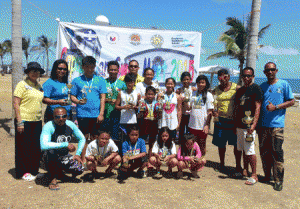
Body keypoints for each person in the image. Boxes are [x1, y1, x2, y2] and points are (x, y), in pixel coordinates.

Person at [258, 62, 295, 191]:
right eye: (267, 70)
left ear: (276, 70)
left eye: (272, 70)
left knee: (277, 152)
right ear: (264, 72)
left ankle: (278, 180)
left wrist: (276, 107)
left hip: (277, 126)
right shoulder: (262, 86)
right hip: (263, 126)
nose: (270, 72)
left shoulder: (283, 84)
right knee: (264, 152)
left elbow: (291, 101)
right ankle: (267, 176)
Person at [40, 107, 86, 190]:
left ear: (67, 116)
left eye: (63, 116)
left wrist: (78, 154)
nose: (61, 119)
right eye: (57, 117)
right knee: (51, 152)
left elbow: (82, 138)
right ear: (53, 117)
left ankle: (60, 173)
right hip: (48, 157)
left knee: (80, 168)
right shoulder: (48, 126)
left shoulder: (70, 124)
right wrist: (65, 144)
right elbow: (43, 145)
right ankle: (52, 178)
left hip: (63, 156)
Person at [70, 56, 107, 160]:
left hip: (96, 115)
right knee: (84, 138)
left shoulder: (100, 80)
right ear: (82, 67)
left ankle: (94, 160)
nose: (89, 69)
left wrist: (101, 114)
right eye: (87, 67)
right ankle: (83, 160)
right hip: (82, 114)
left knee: (96, 138)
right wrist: (78, 101)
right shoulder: (76, 81)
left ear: (95, 67)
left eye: (92, 67)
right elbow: (72, 96)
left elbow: (102, 98)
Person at [13, 62, 44, 181]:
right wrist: (19, 122)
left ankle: (33, 170)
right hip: (24, 121)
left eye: (37, 71)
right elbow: (16, 104)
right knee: (23, 147)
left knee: (35, 147)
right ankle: (22, 172)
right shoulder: (22, 84)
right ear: (28, 72)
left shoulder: (39, 86)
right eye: (32, 70)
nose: (35, 73)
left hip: (36, 121)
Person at [233, 67, 263, 185]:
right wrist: (235, 125)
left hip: (249, 126)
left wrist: (253, 125)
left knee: (250, 150)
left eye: (249, 76)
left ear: (253, 77)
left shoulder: (256, 89)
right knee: (241, 149)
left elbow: (258, 107)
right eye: (244, 76)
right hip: (239, 125)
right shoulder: (240, 91)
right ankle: (243, 171)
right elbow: (236, 108)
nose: (246, 78)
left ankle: (254, 175)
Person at [212, 69, 242, 176]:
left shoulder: (236, 88)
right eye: (220, 77)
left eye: (225, 76)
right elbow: (211, 100)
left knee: (236, 145)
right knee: (221, 145)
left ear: (229, 77)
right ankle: (222, 164)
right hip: (220, 120)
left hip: (233, 120)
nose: (222, 79)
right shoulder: (216, 90)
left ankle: (238, 166)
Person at [188, 75, 214, 157]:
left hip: (202, 125)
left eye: (203, 82)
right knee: (193, 143)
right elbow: (189, 107)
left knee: (202, 144)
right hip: (192, 124)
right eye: (199, 82)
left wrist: (207, 125)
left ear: (206, 83)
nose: (201, 84)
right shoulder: (193, 93)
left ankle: (201, 159)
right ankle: (194, 159)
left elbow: (210, 111)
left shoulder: (209, 95)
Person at [102, 61, 127, 141]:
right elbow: (99, 97)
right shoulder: (103, 82)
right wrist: (106, 100)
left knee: (115, 137)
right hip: (105, 114)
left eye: (115, 70)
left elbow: (125, 98)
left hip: (117, 115)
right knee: (104, 136)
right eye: (111, 70)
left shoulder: (122, 84)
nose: (113, 72)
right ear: (107, 70)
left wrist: (117, 101)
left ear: (118, 70)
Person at [158, 78, 182, 142]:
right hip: (162, 122)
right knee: (161, 141)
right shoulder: (161, 95)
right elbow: (158, 107)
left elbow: (179, 110)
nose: (170, 85)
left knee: (172, 141)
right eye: (168, 84)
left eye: (171, 84)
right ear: (165, 85)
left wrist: (179, 123)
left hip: (173, 122)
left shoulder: (177, 96)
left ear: (174, 85)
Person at [137, 86, 160, 154]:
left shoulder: (157, 103)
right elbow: (138, 116)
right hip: (144, 123)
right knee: (142, 140)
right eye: (148, 94)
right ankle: (142, 154)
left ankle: (150, 155)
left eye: (152, 94)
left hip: (154, 123)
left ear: (154, 95)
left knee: (152, 141)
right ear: (145, 94)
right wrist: (141, 111)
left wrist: (159, 111)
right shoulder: (142, 103)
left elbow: (159, 116)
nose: (150, 96)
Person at [177, 72, 194, 140]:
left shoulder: (193, 89)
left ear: (190, 80)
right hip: (182, 113)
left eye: (187, 79)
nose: (186, 81)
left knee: (189, 130)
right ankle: (181, 143)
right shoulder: (179, 90)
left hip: (191, 113)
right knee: (181, 129)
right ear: (181, 80)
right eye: (184, 79)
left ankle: (189, 144)